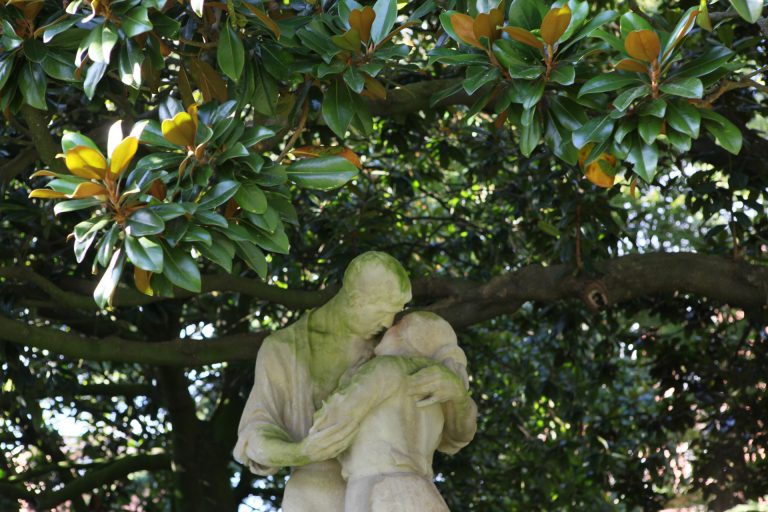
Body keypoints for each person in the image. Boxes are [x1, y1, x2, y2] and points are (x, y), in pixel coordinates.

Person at [233, 252, 413, 511]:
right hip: (312, 495)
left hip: (384, 494)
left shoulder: (390, 346)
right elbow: (253, 437)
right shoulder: (282, 349)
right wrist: (302, 452)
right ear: (355, 300)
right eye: (382, 313)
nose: (388, 323)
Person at [307, 311, 477, 512]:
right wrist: (459, 396)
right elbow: (461, 435)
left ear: (407, 335)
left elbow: (330, 423)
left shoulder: (386, 368)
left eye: (396, 325)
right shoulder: (439, 388)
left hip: (381, 490)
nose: (388, 328)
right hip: (424, 493)